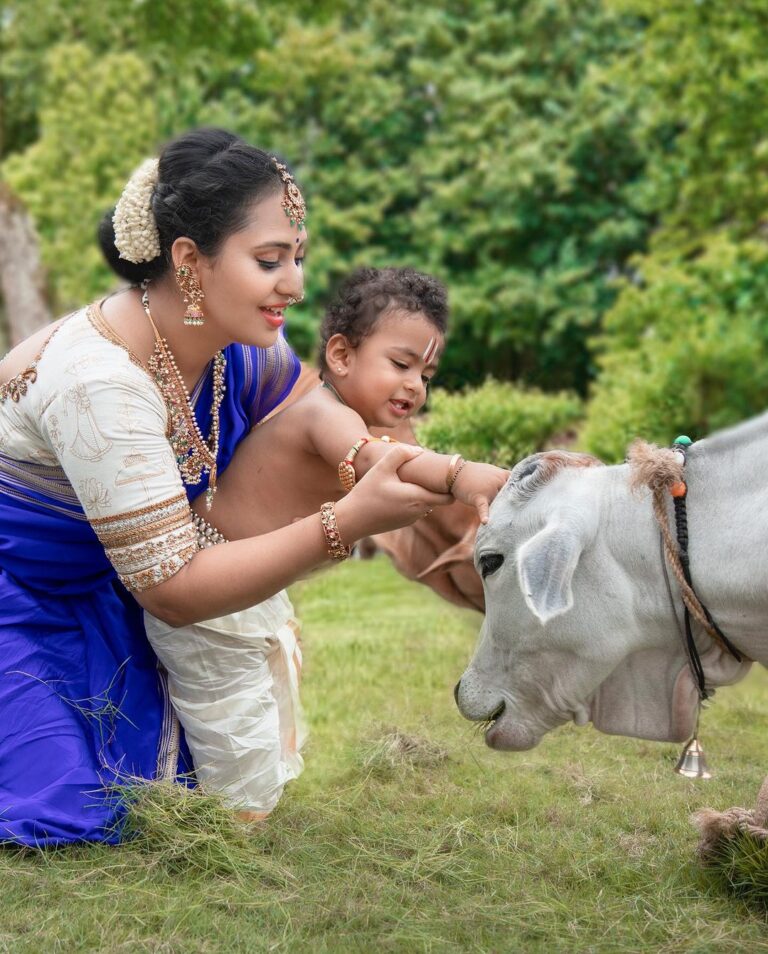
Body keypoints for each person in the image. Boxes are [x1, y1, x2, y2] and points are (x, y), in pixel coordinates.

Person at [0, 128, 452, 847]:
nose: (298, 285)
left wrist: (432, 470)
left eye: (298, 258)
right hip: (22, 598)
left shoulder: (234, 340)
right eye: (270, 260)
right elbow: (175, 588)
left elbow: (311, 407)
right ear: (188, 260)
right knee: (76, 806)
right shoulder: (99, 383)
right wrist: (348, 520)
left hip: (108, 593)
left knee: (191, 778)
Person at [143, 267, 508, 817]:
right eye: (401, 364)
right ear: (340, 355)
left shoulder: (370, 426)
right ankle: (234, 820)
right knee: (234, 715)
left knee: (257, 704)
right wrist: (461, 475)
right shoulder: (324, 415)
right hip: (206, 576)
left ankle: (235, 804)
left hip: (251, 583)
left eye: (427, 374)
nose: (415, 385)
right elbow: (373, 463)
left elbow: (398, 471)